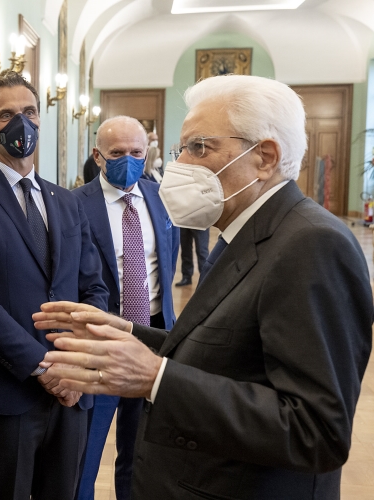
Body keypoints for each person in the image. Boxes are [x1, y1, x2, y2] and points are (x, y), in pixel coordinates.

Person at [35, 74, 373, 499]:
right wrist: (126, 331)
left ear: (265, 157)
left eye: (199, 147)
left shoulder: (312, 244)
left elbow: (316, 430)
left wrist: (156, 378)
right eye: (181, 149)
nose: (181, 164)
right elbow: (224, 351)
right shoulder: (241, 234)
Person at [0, 69, 109, 500]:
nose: (21, 123)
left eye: (30, 112)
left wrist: (76, 364)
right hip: (7, 391)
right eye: (6, 115)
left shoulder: (66, 201)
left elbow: (94, 288)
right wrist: (46, 368)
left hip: (73, 392)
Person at [72, 116, 178, 500]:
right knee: (85, 454)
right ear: (98, 155)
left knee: (140, 453)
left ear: (147, 153)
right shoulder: (74, 204)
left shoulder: (161, 197)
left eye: (136, 152)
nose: (129, 160)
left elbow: (166, 260)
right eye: (117, 153)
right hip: (100, 342)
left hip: (153, 338)